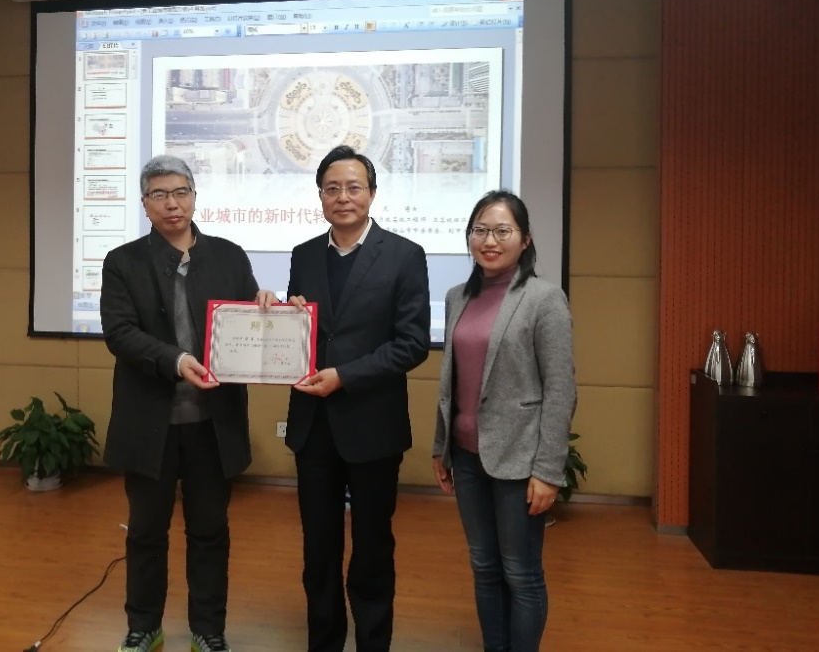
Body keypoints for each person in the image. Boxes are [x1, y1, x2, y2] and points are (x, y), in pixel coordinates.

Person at [101, 155, 273, 652]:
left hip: (212, 424)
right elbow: (120, 333)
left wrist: (269, 307)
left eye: (180, 192)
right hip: (150, 423)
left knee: (210, 531)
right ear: (145, 204)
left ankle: (208, 630)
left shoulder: (228, 256)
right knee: (145, 532)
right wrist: (175, 361)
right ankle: (144, 626)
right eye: (159, 195)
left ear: (194, 197)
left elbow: (246, 323)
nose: (171, 203)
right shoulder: (123, 261)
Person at [285, 145, 431, 652]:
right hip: (313, 426)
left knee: (372, 548)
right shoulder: (304, 255)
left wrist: (344, 376)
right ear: (320, 196)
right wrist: (281, 316)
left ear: (372, 193)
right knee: (318, 550)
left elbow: (412, 344)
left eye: (353, 187)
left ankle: (373, 642)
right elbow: (302, 334)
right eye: (332, 188)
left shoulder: (404, 255)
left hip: (373, 425)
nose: (342, 197)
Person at [431, 190, 577, 652]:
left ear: (525, 239)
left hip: (520, 459)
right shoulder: (457, 297)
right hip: (467, 456)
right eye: (480, 230)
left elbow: (561, 389)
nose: (489, 241)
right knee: (484, 566)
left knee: (521, 573)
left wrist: (548, 470)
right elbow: (453, 381)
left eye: (502, 231)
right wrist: (442, 446)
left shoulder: (544, 299)